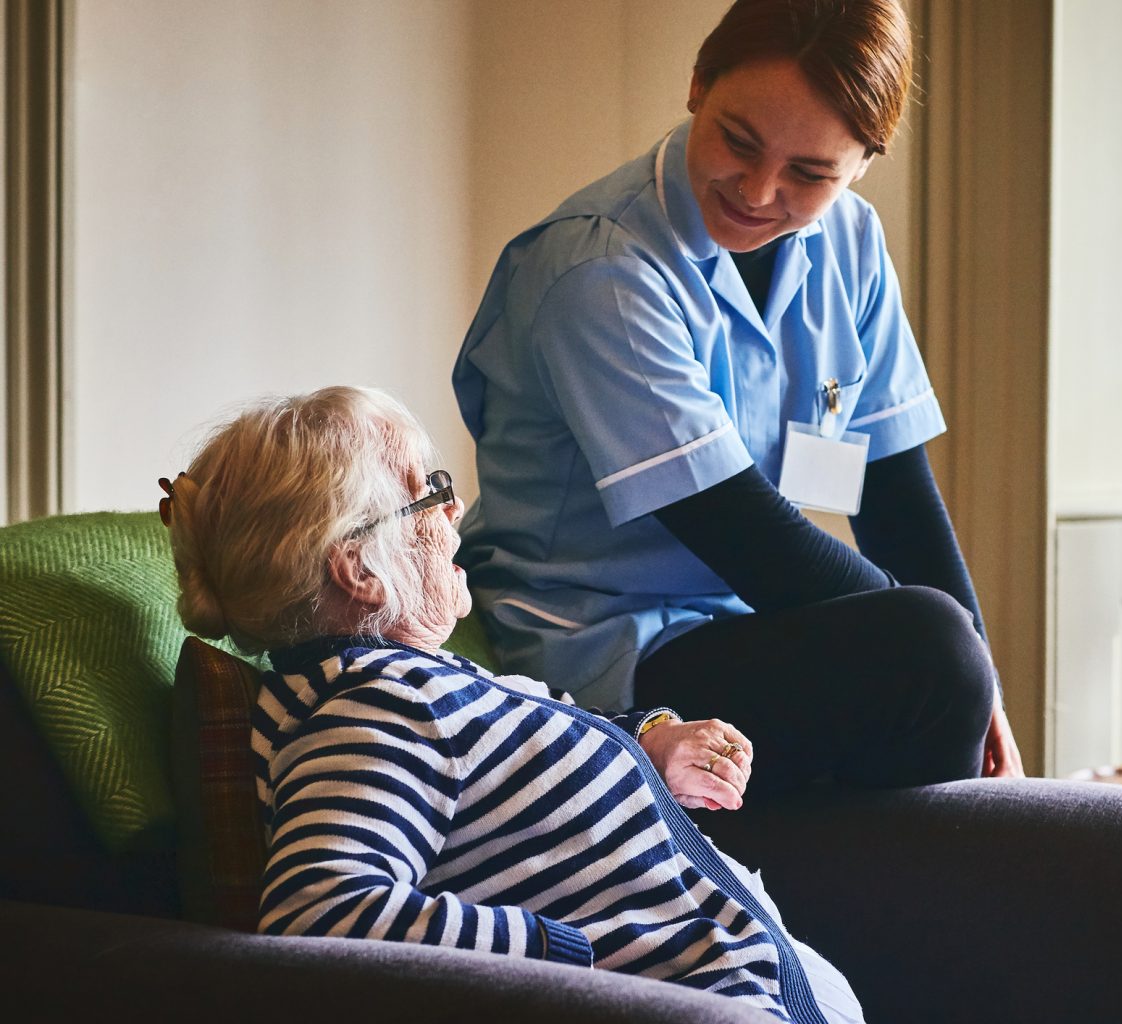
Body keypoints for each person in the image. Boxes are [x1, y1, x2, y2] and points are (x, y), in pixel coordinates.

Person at [452, 0, 1023, 793]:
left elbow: (895, 493)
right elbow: (745, 536)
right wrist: (948, 655)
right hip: (604, 655)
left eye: (809, 173)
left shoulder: (851, 243)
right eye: (738, 142)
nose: (757, 191)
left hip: (742, 626)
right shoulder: (600, 269)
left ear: (863, 162)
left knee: (944, 655)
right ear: (697, 86)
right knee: (929, 654)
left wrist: (982, 676)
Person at [161, 386, 863, 1024]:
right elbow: (319, 912)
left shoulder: (424, 688)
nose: (455, 506)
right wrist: (553, 947)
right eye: (429, 489)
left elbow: (514, 765)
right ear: (359, 568)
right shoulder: (379, 706)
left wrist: (646, 745)